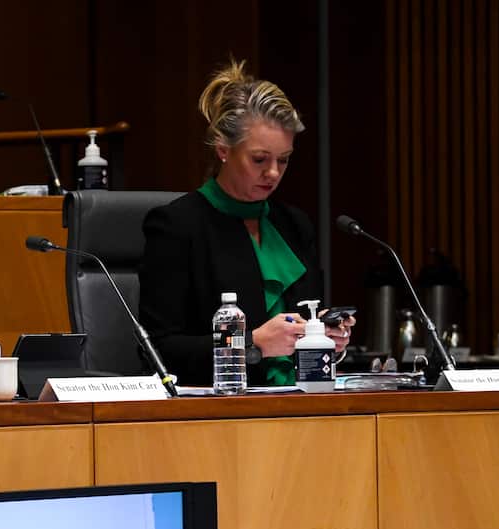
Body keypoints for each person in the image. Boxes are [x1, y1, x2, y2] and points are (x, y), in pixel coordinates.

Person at [137, 59, 357, 386]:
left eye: (283, 160)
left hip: (304, 401)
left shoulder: (293, 225)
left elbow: (304, 326)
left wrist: (327, 339)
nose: (273, 172)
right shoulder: (177, 226)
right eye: (259, 159)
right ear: (224, 150)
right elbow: (158, 349)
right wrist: (251, 344)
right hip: (222, 411)